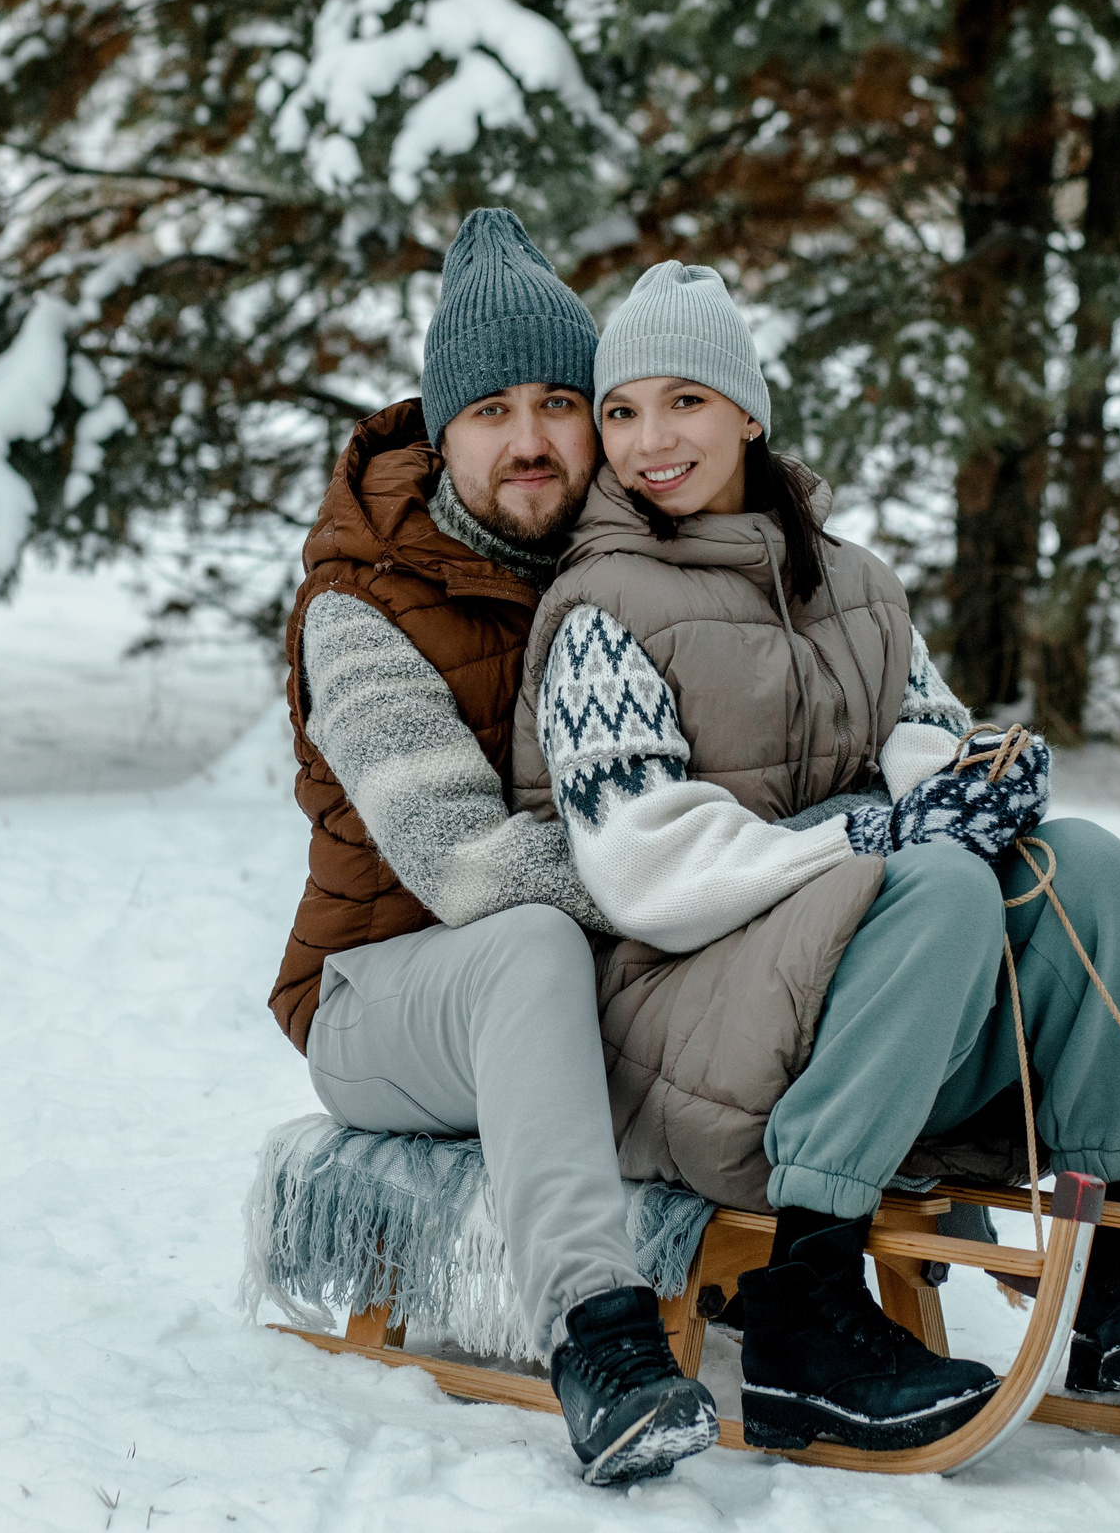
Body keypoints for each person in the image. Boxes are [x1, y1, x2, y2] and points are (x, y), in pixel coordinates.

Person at [510, 260, 1120, 1454]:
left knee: (1081, 862)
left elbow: (921, 744)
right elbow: (641, 865)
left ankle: (1117, 1261)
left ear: (748, 411)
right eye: (620, 411)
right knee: (932, 879)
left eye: (684, 401)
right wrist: (872, 836)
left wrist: (980, 783)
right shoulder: (600, 608)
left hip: (852, 996)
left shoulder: (858, 586)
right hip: (674, 1020)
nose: (649, 440)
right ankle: (803, 1302)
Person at [269, 210, 717, 1484]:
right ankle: (600, 1337)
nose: (529, 440)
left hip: (594, 972)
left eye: (559, 404)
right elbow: (463, 866)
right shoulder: (358, 605)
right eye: (490, 411)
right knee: (524, 941)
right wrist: (723, 878)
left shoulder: (633, 558)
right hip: (379, 997)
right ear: (438, 430)